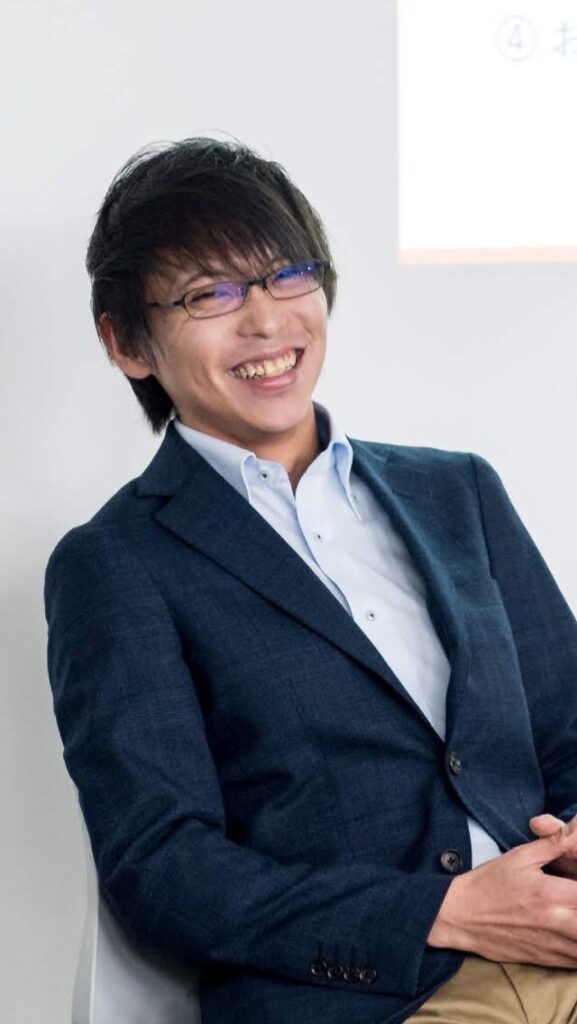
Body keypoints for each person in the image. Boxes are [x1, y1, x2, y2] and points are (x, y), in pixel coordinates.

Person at [44, 137, 577, 1024]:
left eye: (287, 274)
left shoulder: (458, 492)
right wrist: (440, 912)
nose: (265, 321)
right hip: (372, 1000)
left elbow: (565, 733)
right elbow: (162, 866)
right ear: (127, 343)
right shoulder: (116, 563)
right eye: (209, 293)